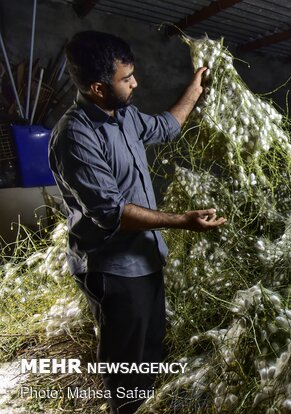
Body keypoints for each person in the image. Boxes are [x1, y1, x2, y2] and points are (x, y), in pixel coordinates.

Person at [48, 31, 226, 413]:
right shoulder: (76, 136)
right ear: (98, 88)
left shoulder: (124, 114)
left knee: (148, 346)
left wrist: (194, 89)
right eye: (126, 79)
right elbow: (112, 212)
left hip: (145, 258)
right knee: (125, 360)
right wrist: (182, 220)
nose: (135, 83)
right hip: (113, 267)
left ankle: (147, 405)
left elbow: (164, 127)